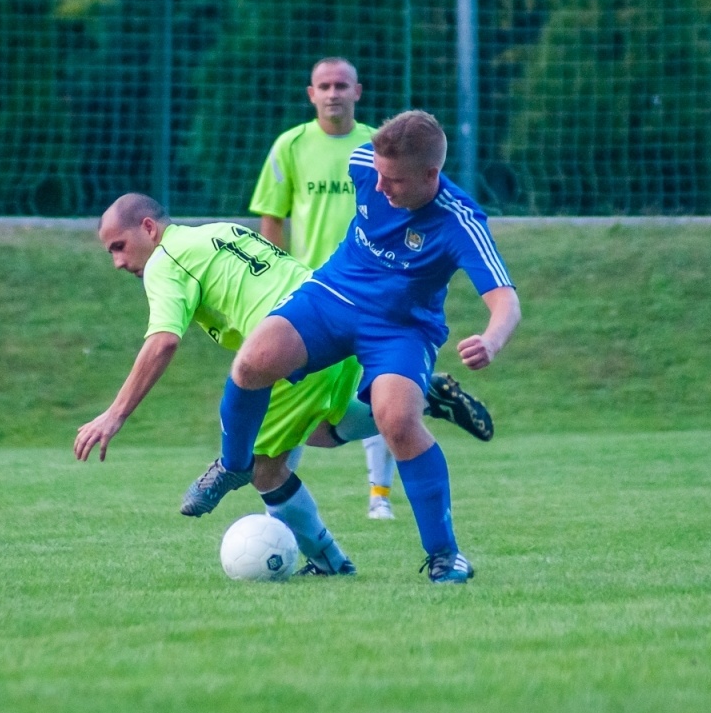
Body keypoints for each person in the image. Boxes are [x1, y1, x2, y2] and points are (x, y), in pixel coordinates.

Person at [215, 111, 521, 583]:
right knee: (254, 361)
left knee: (397, 421)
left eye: (394, 180)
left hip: (401, 327)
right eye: (377, 175)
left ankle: (445, 555)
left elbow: (506, 300)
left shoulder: (459, 220)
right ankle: (232, 466)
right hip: (333, 295)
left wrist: (491, 340)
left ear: (431, 175)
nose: (379, 188)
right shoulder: (364, 162)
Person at [74, 194, 374, 575]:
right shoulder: (218, 232)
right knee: (318, 430)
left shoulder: (165, 260)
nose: (118, 262)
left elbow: (162, 341)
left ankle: (330, 563)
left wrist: (115, 415)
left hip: (288, 342)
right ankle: (418, 398)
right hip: (332, 324)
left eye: (119, 247)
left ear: (148, 228)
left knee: (263, 467)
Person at [249, 57, 493, 521]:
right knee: (311, 419)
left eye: (342, 84)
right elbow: (272, 216)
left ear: (358, 91)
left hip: (383, 299)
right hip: (320, 292)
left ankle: (378, 497)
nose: (333, 93)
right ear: (311, 93)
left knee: (389, 398)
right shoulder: (291, 146)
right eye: (324, 85)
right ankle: (428, 398)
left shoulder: (375, 147)